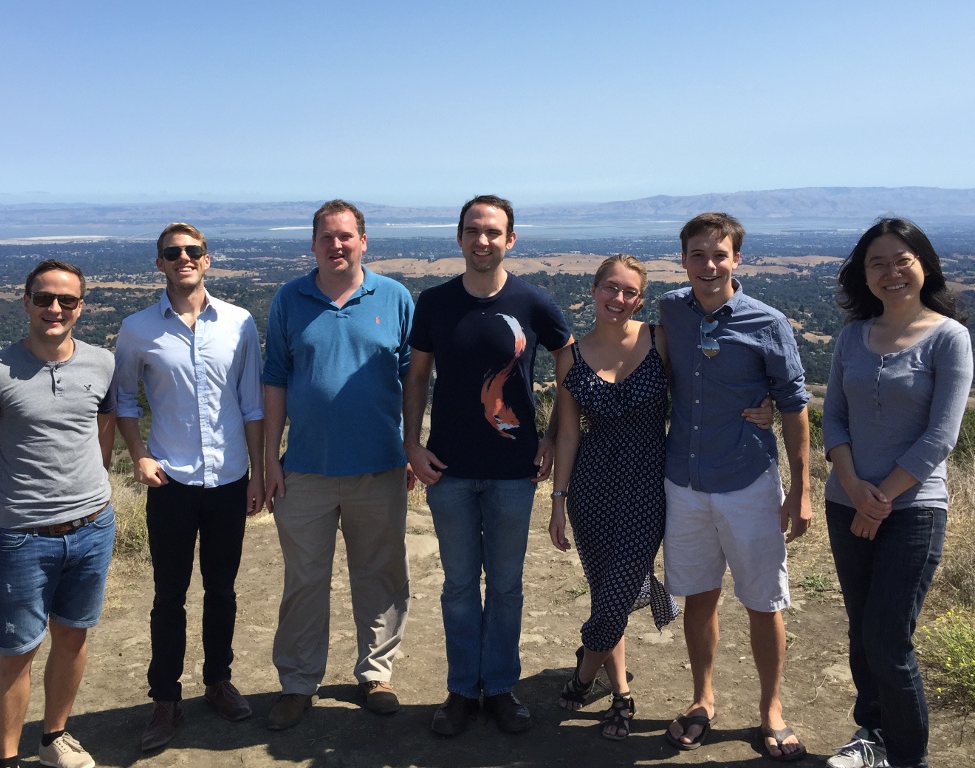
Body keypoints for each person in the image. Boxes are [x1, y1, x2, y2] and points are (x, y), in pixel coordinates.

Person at [549, 254, 771, 741]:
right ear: (593, 290)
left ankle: (584, 675)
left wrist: (767, 400)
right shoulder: (569, 355)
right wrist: (558, 501)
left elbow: (707, 385)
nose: (619, 298)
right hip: (590, 490)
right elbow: (567, 436)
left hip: (650, 487)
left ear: (641, 300)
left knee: (614, 594)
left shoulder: (659, 340)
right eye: (611, 288)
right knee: (607, 586)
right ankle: (622, 694)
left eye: (629, 292)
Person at [404, 194, 573, 736]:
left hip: (512, 471)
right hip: (448, 470)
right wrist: (411, 442)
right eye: (473, 231)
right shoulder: (433, 302)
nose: (483, 241)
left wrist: (550, 433)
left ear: (511, 240)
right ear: (459, 238)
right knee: (458, 586)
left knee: (504, 585)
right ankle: (460, 691)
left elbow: (569, 365)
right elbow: (417, 378)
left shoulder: (534, 302)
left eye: (493, 232)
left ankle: (498, 688)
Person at [660, 212, 811, 761]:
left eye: (719, 254)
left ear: (737, 259)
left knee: (763, 601)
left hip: (748, 480)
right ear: (683, 259)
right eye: (697, 254)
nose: (708, 264)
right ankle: (703, 699)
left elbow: (794, 406)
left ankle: (771, 708)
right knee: (699, 595)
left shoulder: (767, 323)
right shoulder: (669, 310)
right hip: (685, 480)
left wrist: (801, 491)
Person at [0, 260, 116, 768]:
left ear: (80, 308)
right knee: (17, 651)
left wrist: (95, 490)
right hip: (24, 536)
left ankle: (54, 738)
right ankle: (7, 758)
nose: (55, 309)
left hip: (93, 527)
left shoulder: (102, 363)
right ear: (25, 302)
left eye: (67, 301)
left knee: (72, 637)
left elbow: (103, 431)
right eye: (44, 298)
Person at [822, 218, 972, 768]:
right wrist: (855, 488)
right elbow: (833, 419)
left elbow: (942, 436)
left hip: (913, 511)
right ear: (864, 276)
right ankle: (873, 736)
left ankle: (910, 759)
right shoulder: (851, 337)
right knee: (863, 632)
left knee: (889, 639)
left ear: (924, 264)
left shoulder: (948, 337)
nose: (890, 272)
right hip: (846, 503)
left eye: (901, 259)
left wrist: (879, 497)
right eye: (876, 263)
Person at [262, 200, 414, 730]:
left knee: (381, 573)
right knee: (305, 580)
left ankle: (376, 674)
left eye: (346, 236)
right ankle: (299, 683)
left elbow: (413, 380)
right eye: (326, 237)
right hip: (304, 469)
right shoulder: (290, 298)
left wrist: (413, 444)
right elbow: (275, 380)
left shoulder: (394, 297)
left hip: (380, 466)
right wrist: (268, 461)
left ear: (364, 241)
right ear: (313, 244)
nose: (336, 244)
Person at [114, 223, 265, 751]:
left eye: (192, 251)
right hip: (171, 479)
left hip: (228, 477)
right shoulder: (136, 329)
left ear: (207, 260)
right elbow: (125, 401)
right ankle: (165, 699)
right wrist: (138, 455)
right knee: (168, 596)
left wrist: (260, 472)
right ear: (160, 263)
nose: (184, 258)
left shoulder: (240, 324)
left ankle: (218, 682)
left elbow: (252, 403)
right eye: (172, 252)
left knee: (222, 590)